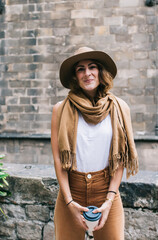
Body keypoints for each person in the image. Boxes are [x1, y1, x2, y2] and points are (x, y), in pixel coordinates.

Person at [51, 47, 139, 240]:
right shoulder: (60, 109)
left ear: (100, 72)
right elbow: (58, 157)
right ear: (75, 76)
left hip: (106, 191)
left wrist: (109, 200)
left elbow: (120, 159)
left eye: (92, 67)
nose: (87, 73)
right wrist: (69, 201)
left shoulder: (119, 107)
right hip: (71, 192)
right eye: (80, 69)